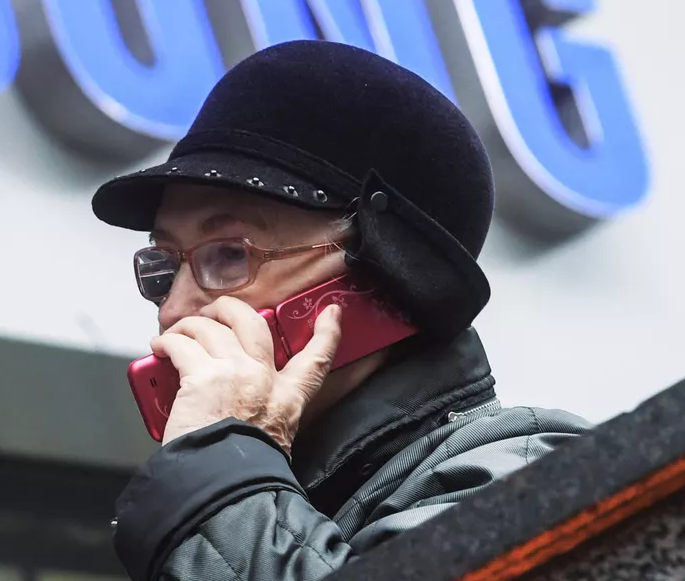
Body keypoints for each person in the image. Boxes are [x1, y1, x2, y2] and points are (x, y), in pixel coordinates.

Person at [90, 40, 589, 581]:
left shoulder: (534, 478)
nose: (174, 309)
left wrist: (220, 481)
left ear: (381, 287)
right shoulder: (262, 498)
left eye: (230, 255)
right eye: (164, 265)